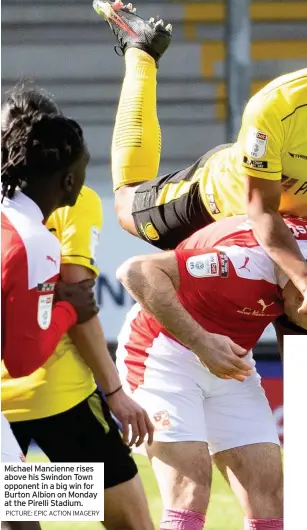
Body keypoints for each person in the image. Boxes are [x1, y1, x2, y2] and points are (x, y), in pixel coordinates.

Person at [93, 0, 307, 317]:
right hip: (219, 201)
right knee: (126, 205)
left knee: (297, 312)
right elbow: (262, 212)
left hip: (293, 225)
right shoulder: (277, 107)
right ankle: (142, 53)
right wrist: (304, 278)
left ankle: (296, 368)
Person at [1, 85, 154, 530]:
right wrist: (115, 391)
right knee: (133, 524)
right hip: (56, 392)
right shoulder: (71, 199)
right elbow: (78, 299)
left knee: (19, 514)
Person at [116, 214, 307, 530]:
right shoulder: (241, 260)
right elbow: (136, 270)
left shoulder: (293, 283)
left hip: (231, 364)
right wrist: (200, 341)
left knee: (272, 503)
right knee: (190, 494)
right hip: (161, 356)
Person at [1, 92, 99, 530]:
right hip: (41, 395)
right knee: (23, 510)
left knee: (21, 508)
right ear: (67, 182)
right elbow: (22, 361)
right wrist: (67, 309)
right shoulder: (36, 241)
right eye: (82, 165)